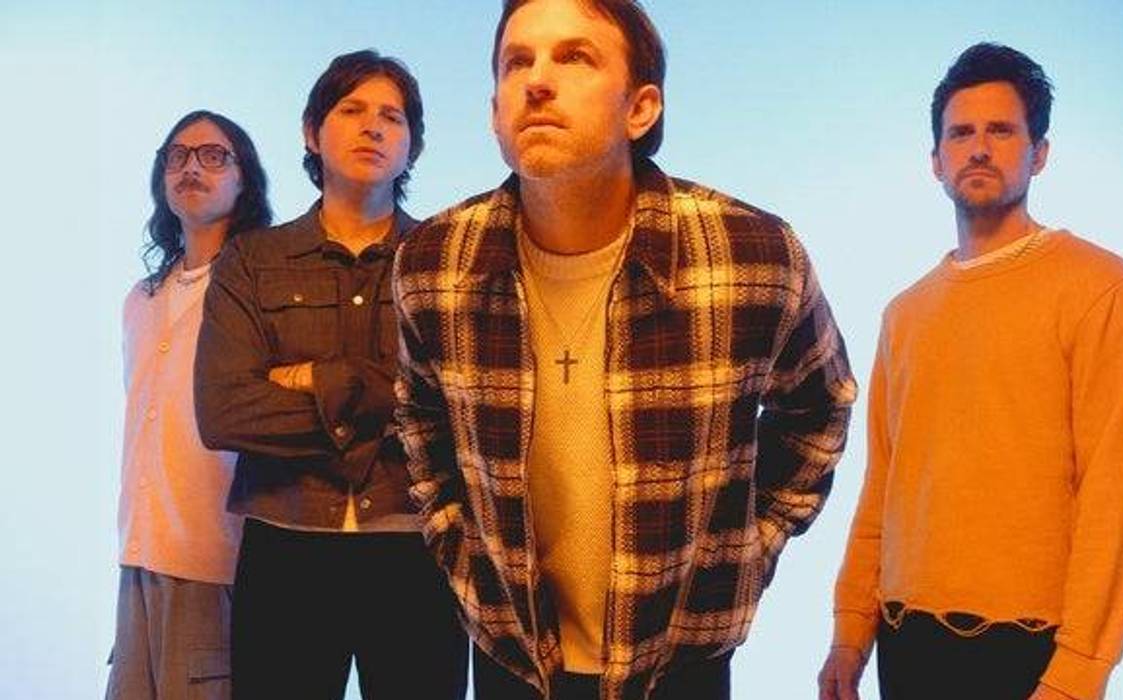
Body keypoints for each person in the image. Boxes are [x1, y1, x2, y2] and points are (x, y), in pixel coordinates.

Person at [392, 2, 855, 698]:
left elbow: (820, 407)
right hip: (511, 657)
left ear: (639, 109)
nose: (537, 81)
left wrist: (746, 546)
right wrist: (457, 546)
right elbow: (418, 419)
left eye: (574, 57)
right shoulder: (433, 262)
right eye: (518, 61)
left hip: (681, 661)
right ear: (494, 111)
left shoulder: (753, 254)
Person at [820, 42, 1123, 700]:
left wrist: (1078, 674)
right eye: (960, 133)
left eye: (1001, 131)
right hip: (904, 642)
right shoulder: (905, 313)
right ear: (935, 160)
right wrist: (849, 628)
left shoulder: (1100, 288)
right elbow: (884, 486)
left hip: (1031, 652)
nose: (978, 147)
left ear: (1038, 153)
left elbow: (1114, 494)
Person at [194, 50, 466, 699]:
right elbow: (224, 411)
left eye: (391, 117)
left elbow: (462, 405)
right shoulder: (252, 261)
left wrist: (314, 379)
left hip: (415, 548)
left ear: (411, 147)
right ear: (312, 133)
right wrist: (394, 400)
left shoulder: (445, 261)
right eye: (351, 110)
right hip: (285, 546)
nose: (372, 127)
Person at [107, 109, 272, 700]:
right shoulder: (140, 299)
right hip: (138, 552)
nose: (191, 167)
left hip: (215, 559)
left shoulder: (260, 289)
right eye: (176, 156)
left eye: (213, 154)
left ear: (244, 179)